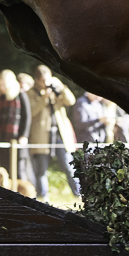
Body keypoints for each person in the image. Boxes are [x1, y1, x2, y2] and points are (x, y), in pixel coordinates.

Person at [28, 65, 78, 200]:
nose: (46, 84)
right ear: (37, 80)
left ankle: (78, 194)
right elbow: (31, 112)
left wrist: (62, 88)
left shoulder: (57, 88)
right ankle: (43, 197)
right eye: (43, 81)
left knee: (68, 165)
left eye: (47, 80)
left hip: (60, 134)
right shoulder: (31, 92)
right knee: (41, 169)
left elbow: (71, 101)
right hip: (41, 136)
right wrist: (44, 98)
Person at [0, 70, 33, 188]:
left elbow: (27, 116)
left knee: (19, 170)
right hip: (2, 139)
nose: (2, 87)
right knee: (4, 169)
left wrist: (24, 135)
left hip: (17, 139)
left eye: (4, 84)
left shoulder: (20, 95)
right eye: (0, 85)